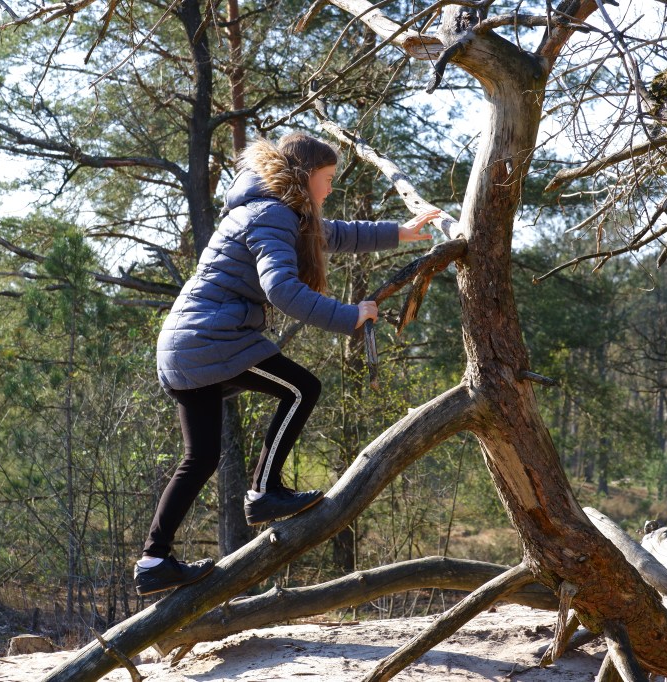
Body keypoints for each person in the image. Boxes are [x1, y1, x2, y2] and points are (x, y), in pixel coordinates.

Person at [134, 132, 441, 596]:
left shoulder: (275, 211)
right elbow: (280, 288)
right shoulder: (272, 214)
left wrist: (401, 232)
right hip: (209, 340)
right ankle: (263, 492)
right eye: (328, 178)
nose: (331, 188)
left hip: (184, 345)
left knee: (200, 459)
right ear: (304, 176)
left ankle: (153, 561)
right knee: (301, 389)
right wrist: (349, 316)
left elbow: (333, 233)